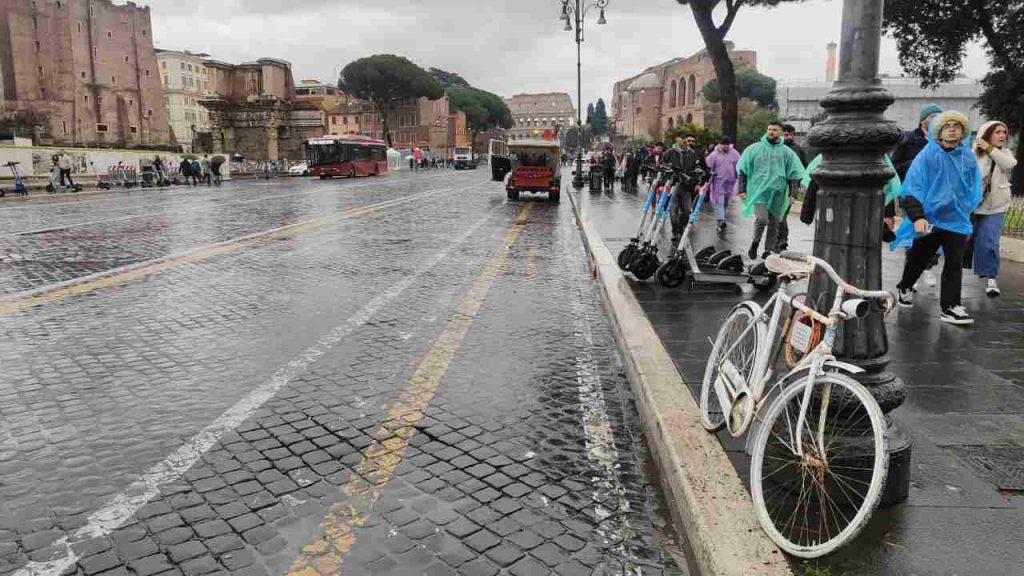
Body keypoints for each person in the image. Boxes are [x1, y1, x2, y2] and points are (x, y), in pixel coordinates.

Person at [892, 111, 982, 325]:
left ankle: (950, 306)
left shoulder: (967, 157)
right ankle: (905, 286)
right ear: (939, 131)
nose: (952, 128)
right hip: (929, 218)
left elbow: (973, 186)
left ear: (963, 131)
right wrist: (917, 217)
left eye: (957, 125)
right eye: (947, 125)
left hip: (956, 220)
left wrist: (966, 209)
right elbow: (912, 188)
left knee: (954, 262)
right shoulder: (927, 155)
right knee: (919, 257)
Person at [893, 104, 945, 289]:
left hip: (937, 195)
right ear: (923, 119)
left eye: (939, 116)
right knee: (916, 231)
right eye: (932, 116)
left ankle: (928, 267)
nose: (935, 119)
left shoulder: (944, 141)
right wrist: (914, 164)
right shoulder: (909, 139)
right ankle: (912, 273)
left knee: (937, 231)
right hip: (913, 194)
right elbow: (895, 165)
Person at [738, 122, 804, 260]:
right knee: (762, 219)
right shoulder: (754, 149)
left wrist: (793, 193)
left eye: (774, 130)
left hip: (778, 194)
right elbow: (742, 170)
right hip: (759, 192)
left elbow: (794, 174)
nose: (771, 132)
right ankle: (754, 244)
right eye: (769, 129)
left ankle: (768, 250)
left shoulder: (787, 152)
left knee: (775, 223)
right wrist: (741, 189)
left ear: (780, 133)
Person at [966, 121, 1017, 297]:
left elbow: (1009, 165)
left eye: (1004, 132)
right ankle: (930, 270)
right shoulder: (973, 154)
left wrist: (989, 148)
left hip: (996, 205)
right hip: (973, 206)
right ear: (987, 134)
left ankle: (991, 278)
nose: (1002, 135)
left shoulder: (1005, 153)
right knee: (963, 241)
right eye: (997, 132)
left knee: (990, 242)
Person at [662, 133, 707, 245]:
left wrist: (697, 181)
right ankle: (675, 231)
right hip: (674, 184)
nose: (686, 142)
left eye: (688, 141)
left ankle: (681, 228)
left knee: (687, 210)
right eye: (684, 140)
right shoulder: (672, 151)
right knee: (673, 211)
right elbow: (664, 161)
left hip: (686, 186)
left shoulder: (692, 153)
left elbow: (696, 168)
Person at [705, 139, 741, 231]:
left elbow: (739, 164)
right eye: (723, 144)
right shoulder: (715, 153)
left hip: (730, 183)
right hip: (718, 182)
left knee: (726, 202)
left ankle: (722, 218)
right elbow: (708, 164)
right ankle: (720, 220)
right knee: (719, 202)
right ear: (720, 145)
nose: (725, 146)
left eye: (727, 144)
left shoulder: (734, 153)